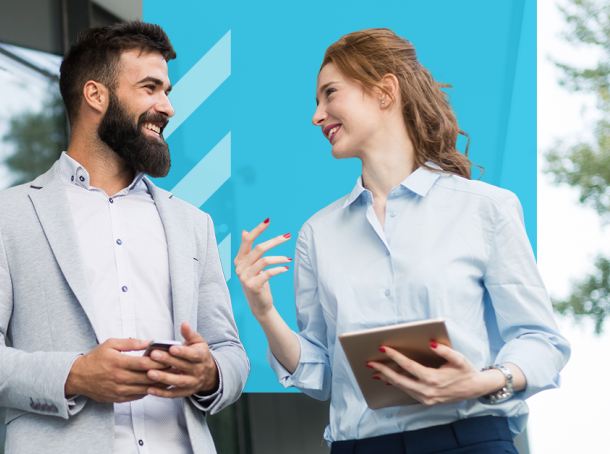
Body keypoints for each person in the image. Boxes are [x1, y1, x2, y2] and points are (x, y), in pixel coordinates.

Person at [234, 28, 570, 454]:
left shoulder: (485, 208)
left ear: (385, 91)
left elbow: (542, 341)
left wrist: (482, 380)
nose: (317, 116)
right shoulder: (318, 234)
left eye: (329, 94)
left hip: (468, 440)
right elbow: (318, 375)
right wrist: (264, 312)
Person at [0, 21, 248, 454]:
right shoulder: (6, 215)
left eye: (168, 91)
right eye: (150, 88)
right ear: (95, 95)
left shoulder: (192, 223)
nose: (168, 107)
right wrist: (76, 374)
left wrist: (211, 373)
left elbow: (230, 351)